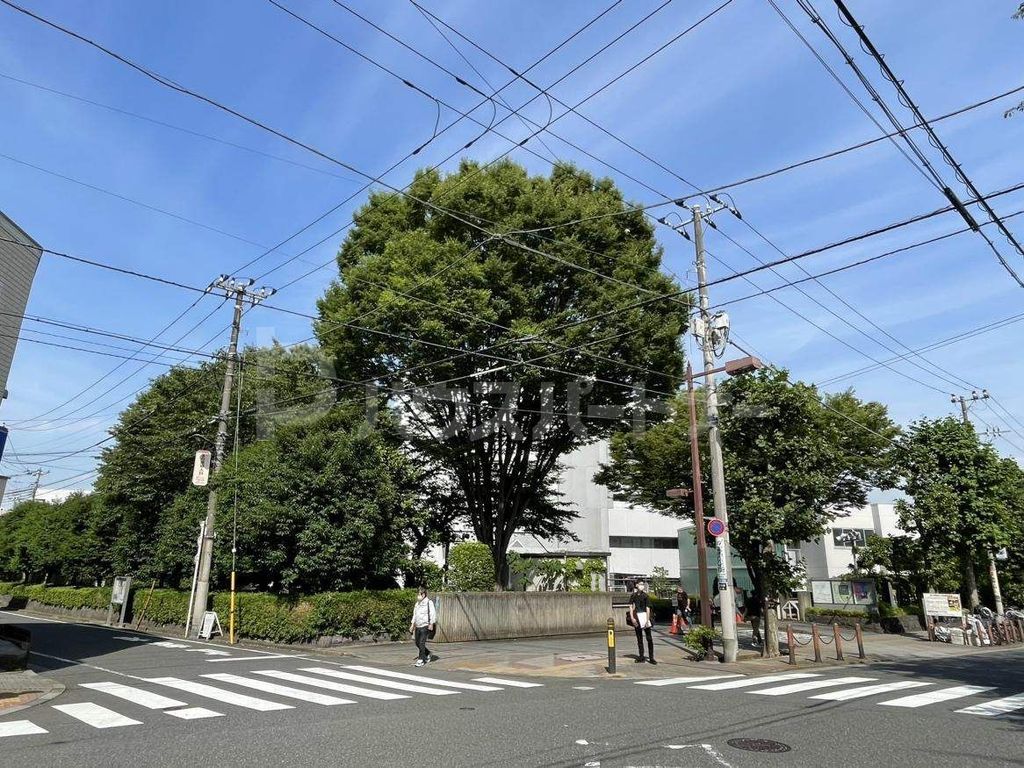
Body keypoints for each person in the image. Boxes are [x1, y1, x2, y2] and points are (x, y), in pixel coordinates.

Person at [409, 587, 437, 667]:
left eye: (419, 594)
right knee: (417, 643)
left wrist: (431, 623)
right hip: (418, 625)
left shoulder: (429, 602)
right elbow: (415, 615)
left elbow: (432, 613)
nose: (418, 596)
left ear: (423, 594)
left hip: (425, 625)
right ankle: (428, 653)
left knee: (421, 643)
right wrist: (412, 625)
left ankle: (421, 659)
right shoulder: (417, 604)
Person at [630, 581, 656, 664]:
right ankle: (641, 656)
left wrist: (647, 620)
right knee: (639, 638)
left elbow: (648, 608)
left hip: (644, 617)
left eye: (643, 584)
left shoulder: (645, 596)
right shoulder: (633, 595)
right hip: (637, 617)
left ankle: (651, 658)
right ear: (637, 585)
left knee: (649, 638)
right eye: (640, 584)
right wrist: (632, 618)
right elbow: (631, 606)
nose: (642, 586)